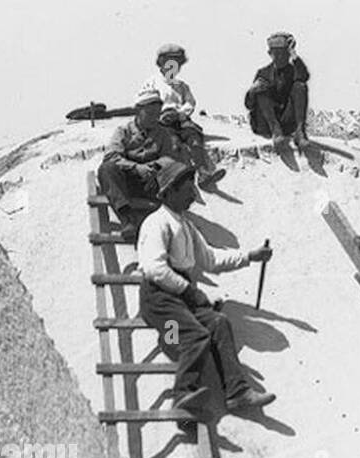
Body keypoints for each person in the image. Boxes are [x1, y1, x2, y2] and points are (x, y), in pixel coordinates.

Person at [137, 159, 276, 425]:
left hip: (179, 302)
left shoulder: (186, 226)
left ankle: (237, 394)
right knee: (192, 335)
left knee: (219, 323)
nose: (192, 196)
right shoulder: (156, 223)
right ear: (170, 191)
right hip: (159, 305)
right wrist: (190, 291)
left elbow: (211, 259)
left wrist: (250, 256)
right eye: (187, 191)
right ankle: (182, 400)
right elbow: (154, 269)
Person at [97, 89, 186, 241]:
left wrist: (155, 166)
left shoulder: (163, 133)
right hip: (128, 180)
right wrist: (136, 168)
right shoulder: (123, 131)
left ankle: (165, 222)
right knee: (106, 169)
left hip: (151, 182)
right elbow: (112, 156)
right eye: (150, 114)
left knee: (177, 172)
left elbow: (170, 157)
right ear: (139, 111)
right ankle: (128, 220)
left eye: (157, 114)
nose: (154, 118)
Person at [140, 43, 225, 188]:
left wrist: (180, 113)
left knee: (195, 140)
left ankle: (204, 174)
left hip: (180, 118)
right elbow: (145, 102)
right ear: (161, 64)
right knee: (173, 144)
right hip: (162, 121)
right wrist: (159, 115)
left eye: (176, 64)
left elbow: (190, 102)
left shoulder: (182, 86)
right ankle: (179, 178)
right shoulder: (151, 83)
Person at [244, 32, 310, 149]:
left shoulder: (293, 71)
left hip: (287, 122)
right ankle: (276, 131)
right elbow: (249, 105)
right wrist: (252, 91)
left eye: (283, 54)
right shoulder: (263, 73)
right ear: (270, 54)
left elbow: (304, 77)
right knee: (260, 88)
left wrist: (294, 55)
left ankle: (300, 132)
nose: (280, 58)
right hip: (266, 124)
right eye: (276, 54)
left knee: (300, 86)